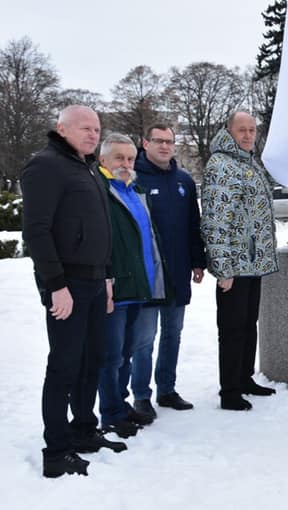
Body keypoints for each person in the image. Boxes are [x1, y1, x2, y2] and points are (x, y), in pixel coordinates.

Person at [22, 105, 125, 478]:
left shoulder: (89, 168)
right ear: (61, 128)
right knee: (64, 367)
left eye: (96, 128)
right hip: (68, 284)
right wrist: (56, 286)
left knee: (92, 360)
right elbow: (36, 231)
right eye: (84, 128)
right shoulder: (45, 166)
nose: (92, 134)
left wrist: (108, 278)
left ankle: (84, 429)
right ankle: (56, 451)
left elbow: (103, 231)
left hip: (97, 282)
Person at [201, 111, 279, 411]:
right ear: (229, 131)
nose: (248, 135)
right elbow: (216, 221)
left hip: (253, 263)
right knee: (232, 328)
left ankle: (244, 378)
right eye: (241, 130)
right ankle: (230, 390)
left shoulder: (248, 162)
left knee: (248, 324)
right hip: (234, 265)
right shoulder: (222, 165)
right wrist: (223, 268)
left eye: (251, 130)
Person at [130, 124, 206, 417]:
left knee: (173, 333)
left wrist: (197, 261)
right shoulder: (135, 179)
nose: (164, 146)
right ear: (145, 142)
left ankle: (166, 389)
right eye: (158, 141)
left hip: (178, 271)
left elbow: (192, 226)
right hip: (148, 276)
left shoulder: (184, 181)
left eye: (169, 141)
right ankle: (140, 395)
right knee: (144, 339)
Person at [95, 133, 167, 438]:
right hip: (116, 290)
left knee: (124, 353)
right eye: (118, 159)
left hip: (138, 288)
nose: (126, 164)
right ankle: (110, 413)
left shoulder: (134, 191)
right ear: (103, 161)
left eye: (129, 158)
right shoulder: (100, 191)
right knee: (110, 357)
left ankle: (121, 406)